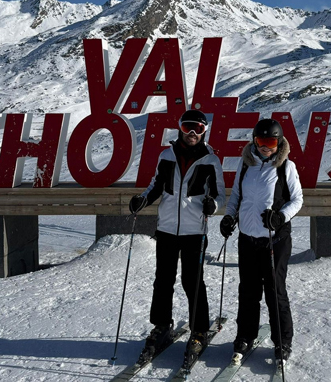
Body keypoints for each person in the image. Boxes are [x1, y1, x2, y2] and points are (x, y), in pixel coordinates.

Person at [129, 109, 225, 360]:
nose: (192, 134)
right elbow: (156, 185)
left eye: (198, 129)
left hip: (195, 230)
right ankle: (161, 325)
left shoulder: (210, 160)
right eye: (187, 128)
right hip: (167, 228)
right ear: (180, 129)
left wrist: (212, 206)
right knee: (163, 280)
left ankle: (200, 330)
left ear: (204, 132)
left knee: (192, 281)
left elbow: (219, 194)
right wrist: (143, 199)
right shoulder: (166, 155)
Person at [220, 118, 303, 363]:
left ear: (279, 143)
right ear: (254, 141)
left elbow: (297, 200)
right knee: (248, 291)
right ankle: (245, 336)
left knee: (275, 292)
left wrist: (280, 217)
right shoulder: (246, 165)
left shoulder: (286, 167)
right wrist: (229, 217)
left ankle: (282, 342)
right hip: (248, 239)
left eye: (271, 142)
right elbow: (236, 194)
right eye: (261, 142)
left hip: (274, 241)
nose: (266, 148)